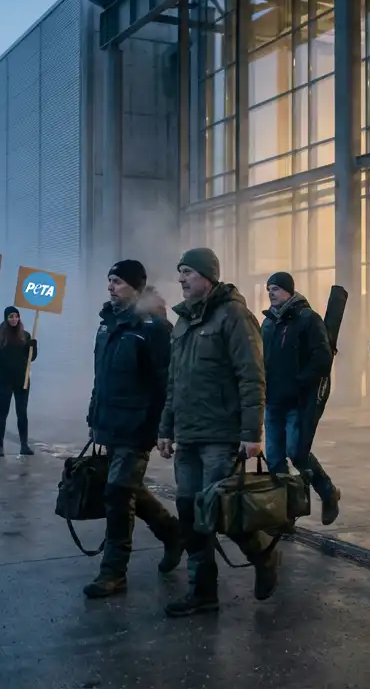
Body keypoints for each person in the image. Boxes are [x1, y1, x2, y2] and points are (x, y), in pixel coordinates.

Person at [158, 248, 277, 617]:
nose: (181, 279)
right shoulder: (182, 323)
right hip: (188, 436)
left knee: (220, 512)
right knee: (190, 512)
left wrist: (251, 433)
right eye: (179, 273)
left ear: (208, 277)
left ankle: (263, 555)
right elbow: (173, 381)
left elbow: (251, 377)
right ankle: (202, 592)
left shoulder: (234, 316)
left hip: (222, 436)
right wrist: (165, 427)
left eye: (188, 273)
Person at [82, 260, 184, 599]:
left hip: (138, 425)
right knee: (126, 488)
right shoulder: (108, 325)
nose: (111, 287)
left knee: (117, 493)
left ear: (136, 288)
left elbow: (166, 383)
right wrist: (94, 413)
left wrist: (163, 427)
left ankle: (113, 573)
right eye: (109, 280)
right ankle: (171, 532)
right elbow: (103, 377)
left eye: (118, 282)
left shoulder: (153, 328)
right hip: (110, 422)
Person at [261, 271, 341, 525]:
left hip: (298, 401)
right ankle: (286, 513)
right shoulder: (268, 323)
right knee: (274, 459)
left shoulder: (308, 319)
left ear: (288, 290)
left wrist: (299, 383)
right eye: (268, 289)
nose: (271, 293)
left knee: (297, 452)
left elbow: (322, 358)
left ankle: (328, 492)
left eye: (275, 288)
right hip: (272, 400)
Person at [0, 306, 37, 457]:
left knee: (22, 413)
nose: (14, 319)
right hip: (3, 381)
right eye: (11, 317)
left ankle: (24, 444)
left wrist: (33, 347)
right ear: (6, 318)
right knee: (2, 412)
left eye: (16, 316)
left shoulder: (25, 335)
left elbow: (31, 358)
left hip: (21, 380)